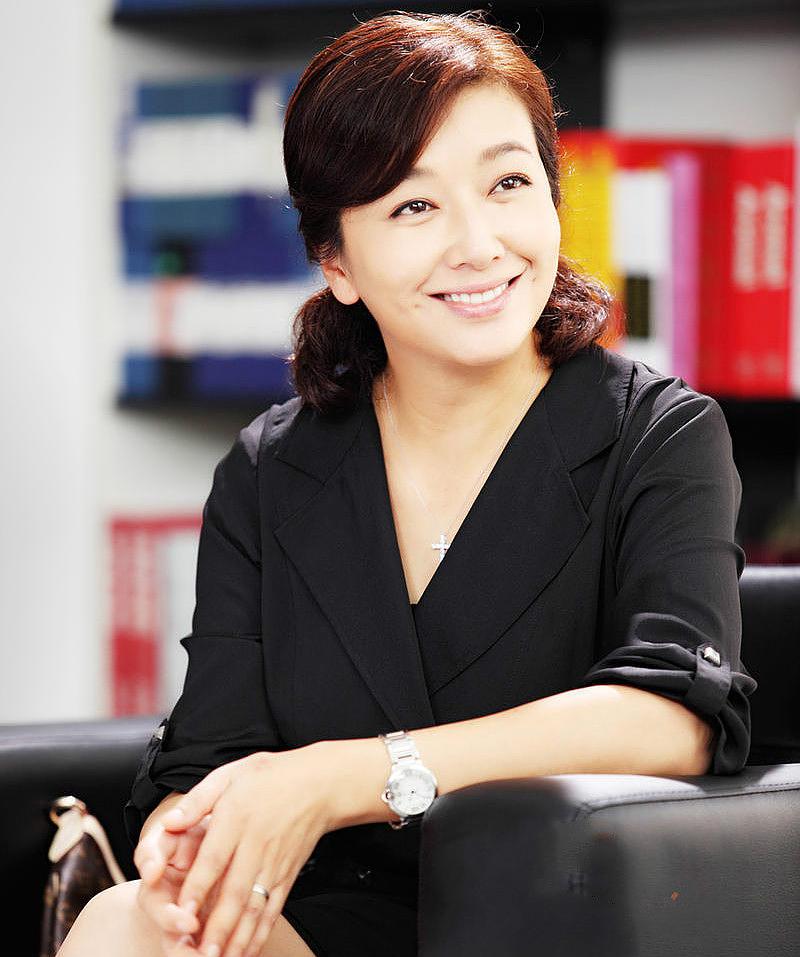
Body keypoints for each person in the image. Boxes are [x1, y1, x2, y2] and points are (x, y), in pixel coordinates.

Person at [56, 9, 757, 957]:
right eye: (414, 207)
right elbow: (208, 755)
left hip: (557, 922)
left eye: (509, 183)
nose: (479, 243)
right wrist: (188, 837)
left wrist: (343, 779)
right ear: (337, 262)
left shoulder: (658, 434)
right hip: (320, 928)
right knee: (130, 923)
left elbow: (672, 717)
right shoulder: (271, 470)